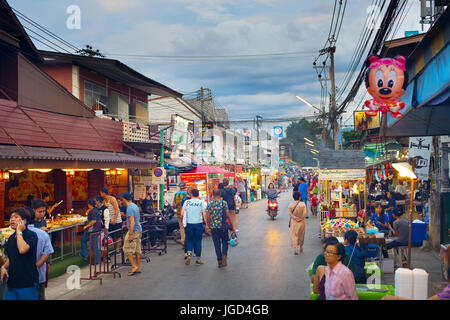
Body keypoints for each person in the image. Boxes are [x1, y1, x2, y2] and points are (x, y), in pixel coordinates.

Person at [1, 208, 39, 300]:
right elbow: (12, 258)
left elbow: (22, 249)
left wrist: (19, 231)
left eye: (16, 217)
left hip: (27, 283)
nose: (12, 219)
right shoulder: (11, 238)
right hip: (12, 284)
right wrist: (3, 267)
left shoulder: (31, 235)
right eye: (11, 217)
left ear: (24, 220)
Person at [26, 208, 54, 300]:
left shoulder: (15, 235)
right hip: (38, 273)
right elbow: (48, 252)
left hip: (22, 276)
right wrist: (37, 265)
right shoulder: (42, 234)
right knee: (40, 295)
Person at [205, 188, 236, 268]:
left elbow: (208, 217)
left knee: (217, 244)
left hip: (214, 227)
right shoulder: (223, 203)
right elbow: (228, 216)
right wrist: (233, 226)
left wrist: (208, 226)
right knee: (225, 242)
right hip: (223, 226)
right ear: (220, 194)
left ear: (213, 195)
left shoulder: (210, 204)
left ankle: (219, 261)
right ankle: (224, 254)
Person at [182, 189, 207, 266]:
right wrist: (207, 224)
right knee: (198, 241)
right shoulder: (201, 202)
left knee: (190, 240)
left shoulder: (187, 202)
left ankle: (189, 253)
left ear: (191, 194)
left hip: (189, 224)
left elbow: (182, 213)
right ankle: (198, 259)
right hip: (198, 224)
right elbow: (204, 213)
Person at [120, 192, 143, 276]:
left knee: (127, 248)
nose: (121, 200)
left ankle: (134, 266)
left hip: (133, 231)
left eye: (122, 199)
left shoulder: (129, 208)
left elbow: (132, 222)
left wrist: (130, 234)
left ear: (124, 199)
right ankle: (138, 267)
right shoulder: (135, 206)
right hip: (138, 229)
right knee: (137, 249)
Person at [80, 199, 102, 264]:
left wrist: (86, 226)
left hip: (93, 230)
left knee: (94, 246)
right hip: (93, 230)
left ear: (89, 205)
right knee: (83, 239)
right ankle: (85, 255)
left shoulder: (93, 211)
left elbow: (93, 221)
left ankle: (97, 261)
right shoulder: (94, 210)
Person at [100, 188, 122, 253]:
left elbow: (117, 209)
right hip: (109, 221)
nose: (100, 194)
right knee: (112, 235)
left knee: (118, 235)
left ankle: (117, 250)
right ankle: (115, 249)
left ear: (104, 193)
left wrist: (114, 219)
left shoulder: (112, 199)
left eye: (101, 193)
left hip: (117, 220)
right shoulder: (104, 201)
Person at [173, 183, 188, 247]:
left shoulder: (176, 194)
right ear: (185, 187)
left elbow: (174, 204)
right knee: (186, 227)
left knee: (181, 227)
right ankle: (186, 242)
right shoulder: (186, 194)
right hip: (185, 213)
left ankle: (182, 240)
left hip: (178, 213)